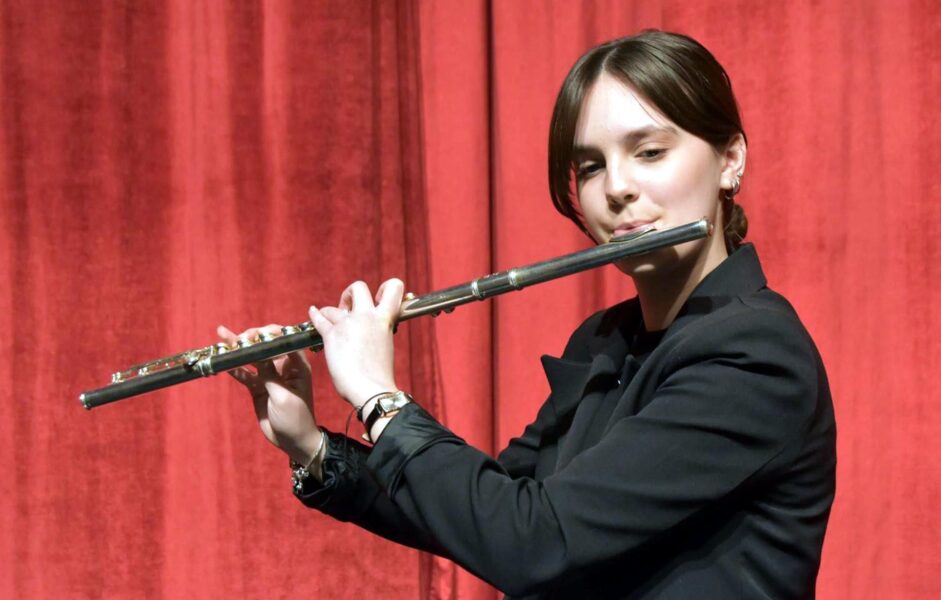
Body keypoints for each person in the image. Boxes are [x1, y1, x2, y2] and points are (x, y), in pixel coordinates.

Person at [221, 30, 836, 599]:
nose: (616, 188)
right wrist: (312, 447)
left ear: (730, 160)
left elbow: (536, 541)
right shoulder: (605, 341)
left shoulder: (755, 353)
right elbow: (487, 513)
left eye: (649, 152)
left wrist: (379, 400)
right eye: (591, 166)